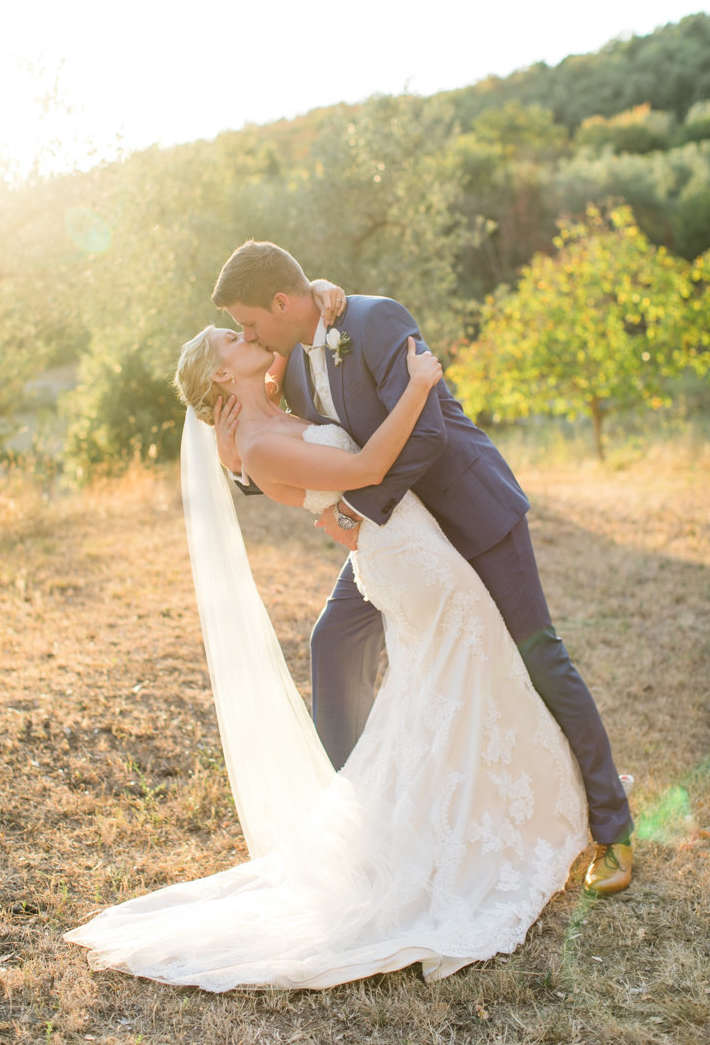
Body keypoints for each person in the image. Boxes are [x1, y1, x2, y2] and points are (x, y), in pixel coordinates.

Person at [64, 321, 588, 990]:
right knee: (467, 665)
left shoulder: (269, 412)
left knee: (442, 685)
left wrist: (326, 305)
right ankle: (472, 835)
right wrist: (420, 384)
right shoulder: (255, 444)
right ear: (224, 373)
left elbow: (316, 427)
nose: (246, 331)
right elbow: (365, 470)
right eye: (232, 337)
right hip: (406, 556)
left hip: (400, 544)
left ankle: (468, 824)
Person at [211, 240, 633, 897]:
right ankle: (349, 819)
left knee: (538, 655)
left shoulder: (377, 321)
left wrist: (355, 507)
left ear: (283, 301)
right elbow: (288, 451)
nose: (247, 335)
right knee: (334, 639)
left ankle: (612, 828)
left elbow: (429, 432)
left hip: (466, 510)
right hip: (398, 538)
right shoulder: (288, 364)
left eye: (250, 322)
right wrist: (235, 462)